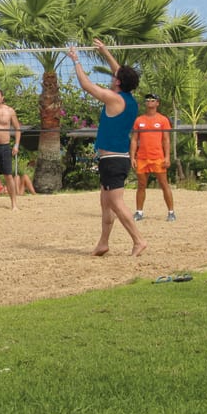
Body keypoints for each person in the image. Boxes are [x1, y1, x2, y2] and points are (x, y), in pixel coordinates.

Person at [67, 38, 147, 257]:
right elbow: (120, 71)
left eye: (115, 77)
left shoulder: (114, 99)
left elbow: (86, 85)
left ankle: (139, 240)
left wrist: (75, 60)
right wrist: (104, 51)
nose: (113, 76)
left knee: (117, 204)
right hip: (109, 160)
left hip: (114, 160)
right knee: (105, 204)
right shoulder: (128, 98)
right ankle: (103, 243)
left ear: (118, 83)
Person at [129, 93, 176, 222]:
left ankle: (171, 212)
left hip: (158, 158)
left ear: (157, 103)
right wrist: (132, 157)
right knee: (141, 185)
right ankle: (139, 212)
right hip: (142, 158)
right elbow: (134, 140)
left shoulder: (163, 120)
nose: (149, 102)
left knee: (164, 184)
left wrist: (167, 157)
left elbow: (166, 140)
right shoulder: (139, 120)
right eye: (147, 100)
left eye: (152, 100)